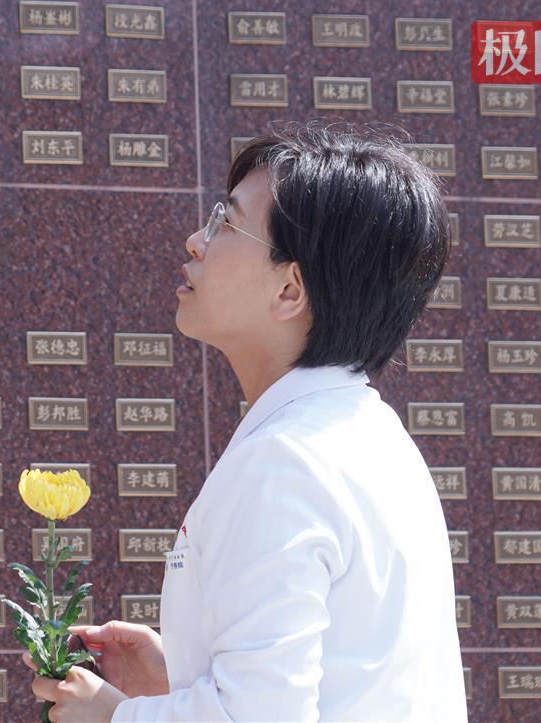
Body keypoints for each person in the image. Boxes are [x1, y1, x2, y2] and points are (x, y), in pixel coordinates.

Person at [27, 121, 466, 721]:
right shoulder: (374, 438)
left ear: (289, 289)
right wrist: (184, 677)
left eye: (225, 223)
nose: (195, 241)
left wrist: (110, 715)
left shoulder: (284, 463)